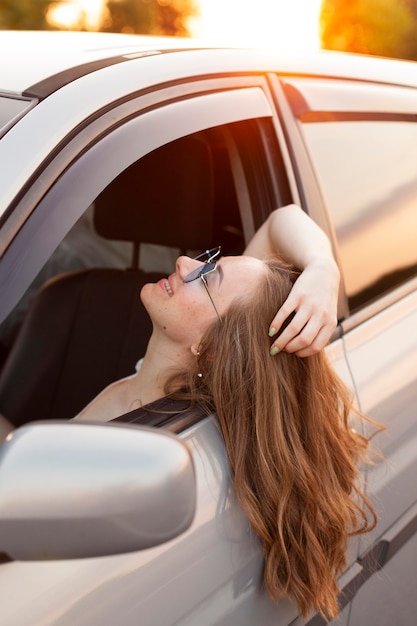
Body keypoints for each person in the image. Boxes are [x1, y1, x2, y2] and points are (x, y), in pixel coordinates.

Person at [74, 245, 378, 620]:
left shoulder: (150, 449)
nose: (184, 263)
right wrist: (324, 268)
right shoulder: (151, 385)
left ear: (212, 349)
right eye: (209, 262)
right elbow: (282, 220)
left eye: (206, 277)